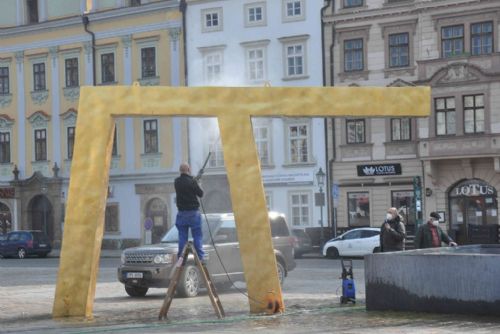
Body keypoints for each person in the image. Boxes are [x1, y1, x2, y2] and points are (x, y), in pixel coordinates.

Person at [174, 162, 205, 262]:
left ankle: (181, 258)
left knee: (182, 236)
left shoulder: (176, 182)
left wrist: (195, 180)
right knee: (197, 235)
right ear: (189, 169)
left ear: (180, 170)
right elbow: (200, 194)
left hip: (181, 214)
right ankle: (200, 257)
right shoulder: (192, 181)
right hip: (193, 213)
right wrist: (198, 183)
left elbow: (187, 183)